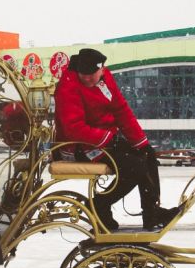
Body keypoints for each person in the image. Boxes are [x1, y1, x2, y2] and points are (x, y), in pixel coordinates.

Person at [54, 48, 180, 231]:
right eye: (84, 75)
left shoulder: (106, 78)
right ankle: (100, 205)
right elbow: (73, 128)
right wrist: (108, 139)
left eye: (92, 74)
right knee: (135, 167)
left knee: (148, 156)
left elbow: (121, 110)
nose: (88, 79)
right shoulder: (68, 85)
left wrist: (141, 143)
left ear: (102, 69)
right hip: (78, 147)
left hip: (102, 140)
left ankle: (151, 213)